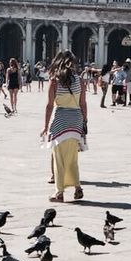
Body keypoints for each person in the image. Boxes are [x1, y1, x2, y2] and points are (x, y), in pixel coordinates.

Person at [41, 49, 87, 203]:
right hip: (76, 121)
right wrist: (84, 122)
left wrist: (46, 126)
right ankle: (77, 187)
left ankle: (59, 193)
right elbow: (83, 104)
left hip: (60, 121)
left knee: (59, 158)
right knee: (73, 158)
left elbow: (49, 106)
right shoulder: (80, 80)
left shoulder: (54, 81)